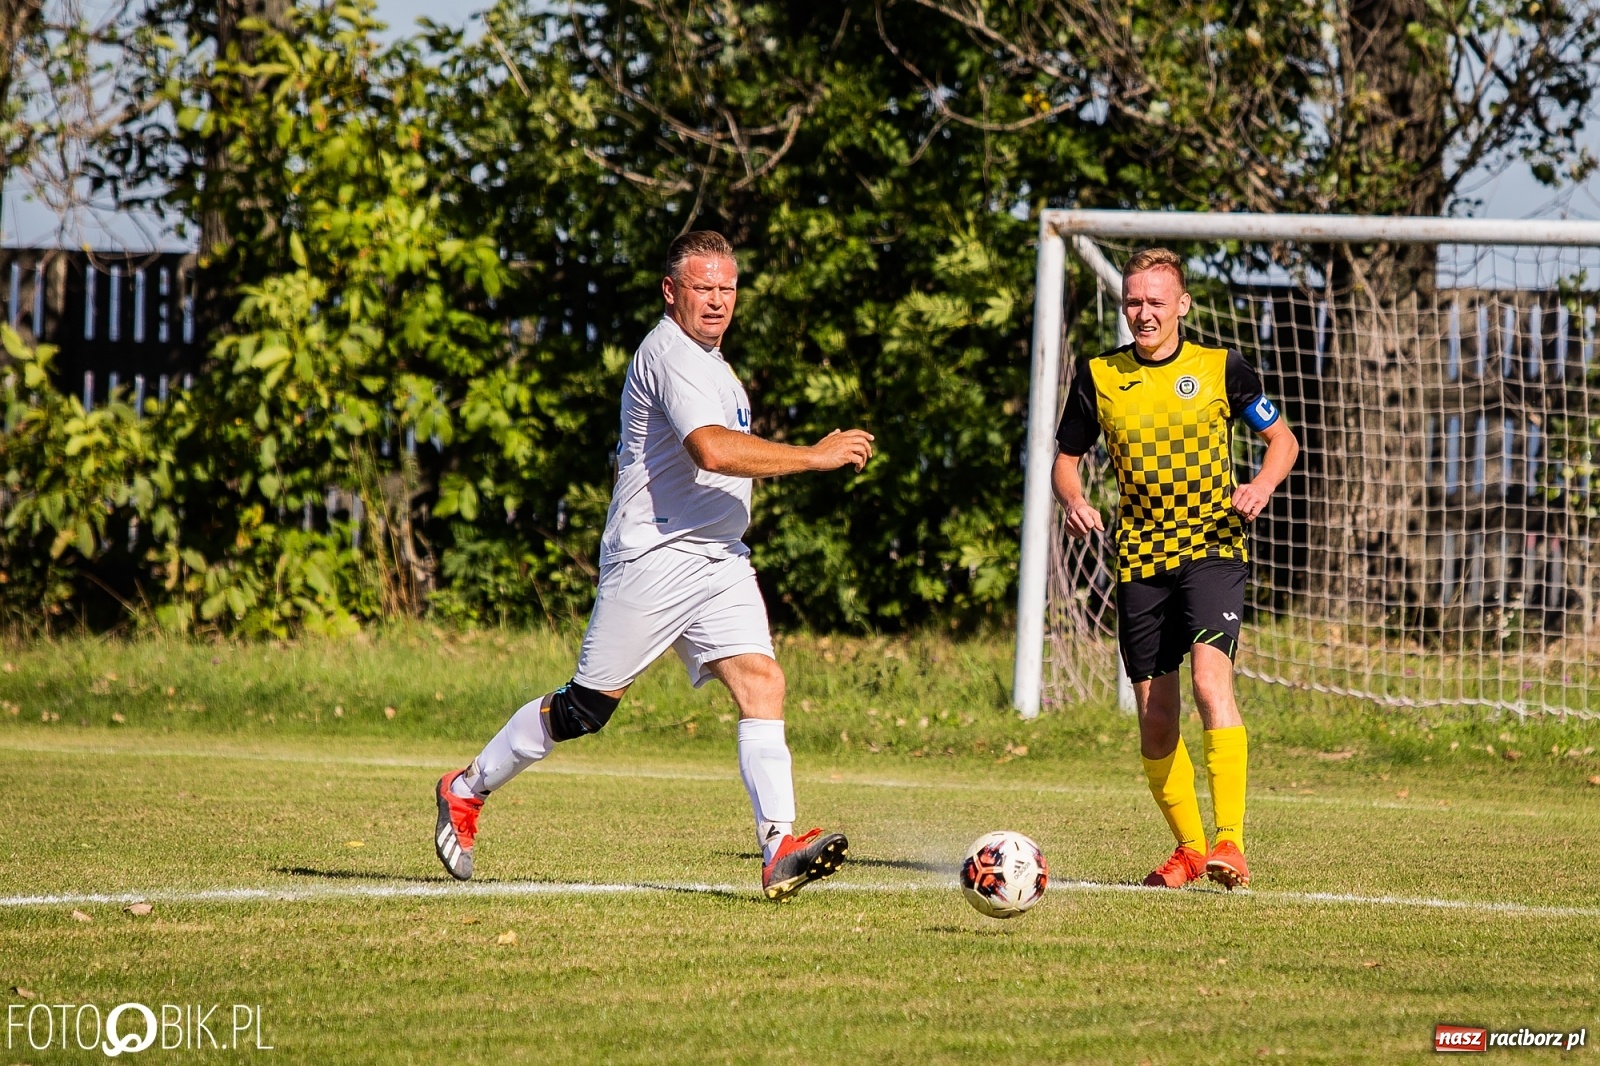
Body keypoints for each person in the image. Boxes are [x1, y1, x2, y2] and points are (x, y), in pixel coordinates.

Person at [434, 230, 875, 900]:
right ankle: (465, 789)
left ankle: (779, 846)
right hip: (656, 557)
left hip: (719, 559)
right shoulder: (668, 353)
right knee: (584, 711)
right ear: (672, 292)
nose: (718, 301)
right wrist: (815, 456)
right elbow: (713, 452)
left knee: (762, 684)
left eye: (727, 288)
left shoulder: (715, 366)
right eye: (703, 287)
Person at [1052, 247, 1299, 891]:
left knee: (1210, 686)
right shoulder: (1099, 375)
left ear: (1182, 305)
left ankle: (1230, 843)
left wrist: (1262, 485)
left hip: (1214, 546)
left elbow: (1284, 441)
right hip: (1140, 557)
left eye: (1156, 302)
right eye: (1133, 301)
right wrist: (1075, 499)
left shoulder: (1221, 367)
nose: (1143, 313)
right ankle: (1189, 849)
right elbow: (1066, 459)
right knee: (1155, 716)